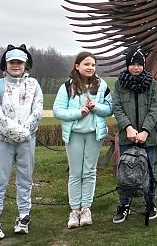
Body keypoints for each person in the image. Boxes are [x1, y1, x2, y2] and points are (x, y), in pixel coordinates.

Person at [0, 45, 43, 242]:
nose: (16, 65)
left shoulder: (34, 85)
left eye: (19, 62)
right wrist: (15, 132)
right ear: (6, 64)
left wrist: (24, 132)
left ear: (26, 63)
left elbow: (37, 112)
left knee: (25, 180)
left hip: (27, 141)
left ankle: (24, 217)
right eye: (12, 62)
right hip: (3, 141)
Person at [53, 52, 112, 229]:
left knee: (89, 172)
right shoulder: (67, 87)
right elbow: (58, 111)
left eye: (93, 65)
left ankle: (86, 208)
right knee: (75, 173)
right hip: (74, 135)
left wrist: (95, 107)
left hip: (94, 135)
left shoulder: (102, 86)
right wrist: (79, 113)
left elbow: (109, 109)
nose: (90, 68)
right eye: (86, 64)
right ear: (77, 66)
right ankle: (74, 210)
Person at [112, 47, 157, 223]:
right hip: (128, 136)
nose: (136, 67)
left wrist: (146, 130)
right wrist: (128, 128)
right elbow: (117, 107)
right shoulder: (119, 84)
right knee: (125, 170)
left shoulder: (152, 83)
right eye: (133, 64)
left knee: (150, 171)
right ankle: (124, 205)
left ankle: (150, 202)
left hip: (148, 136)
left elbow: (155, 108)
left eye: (139, 64)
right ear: (127, 65)